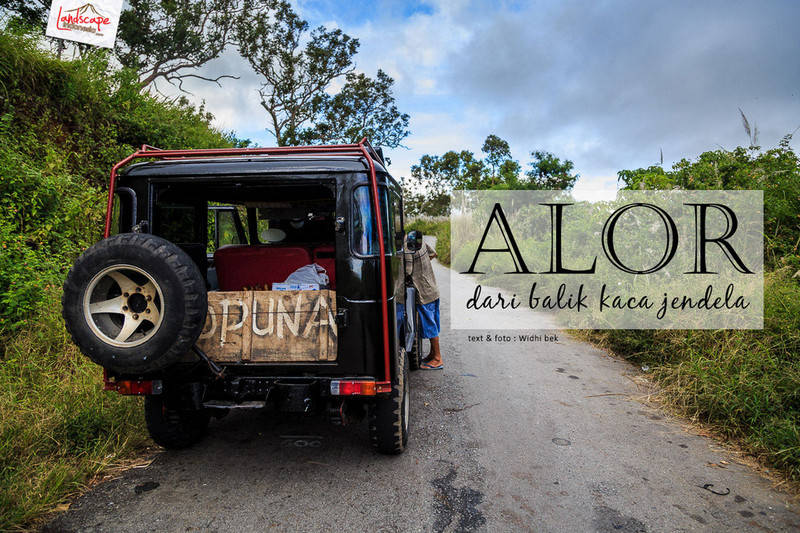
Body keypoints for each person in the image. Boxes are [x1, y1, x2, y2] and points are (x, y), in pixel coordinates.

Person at [405, 235, 443, 370]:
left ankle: (437, 359)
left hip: (423, 292)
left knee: (430, 325)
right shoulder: (415, 239)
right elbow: (433, 254)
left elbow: (408, 271)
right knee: (433, 322)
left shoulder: (406, 246)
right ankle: (432, 355)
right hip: (432, 288)